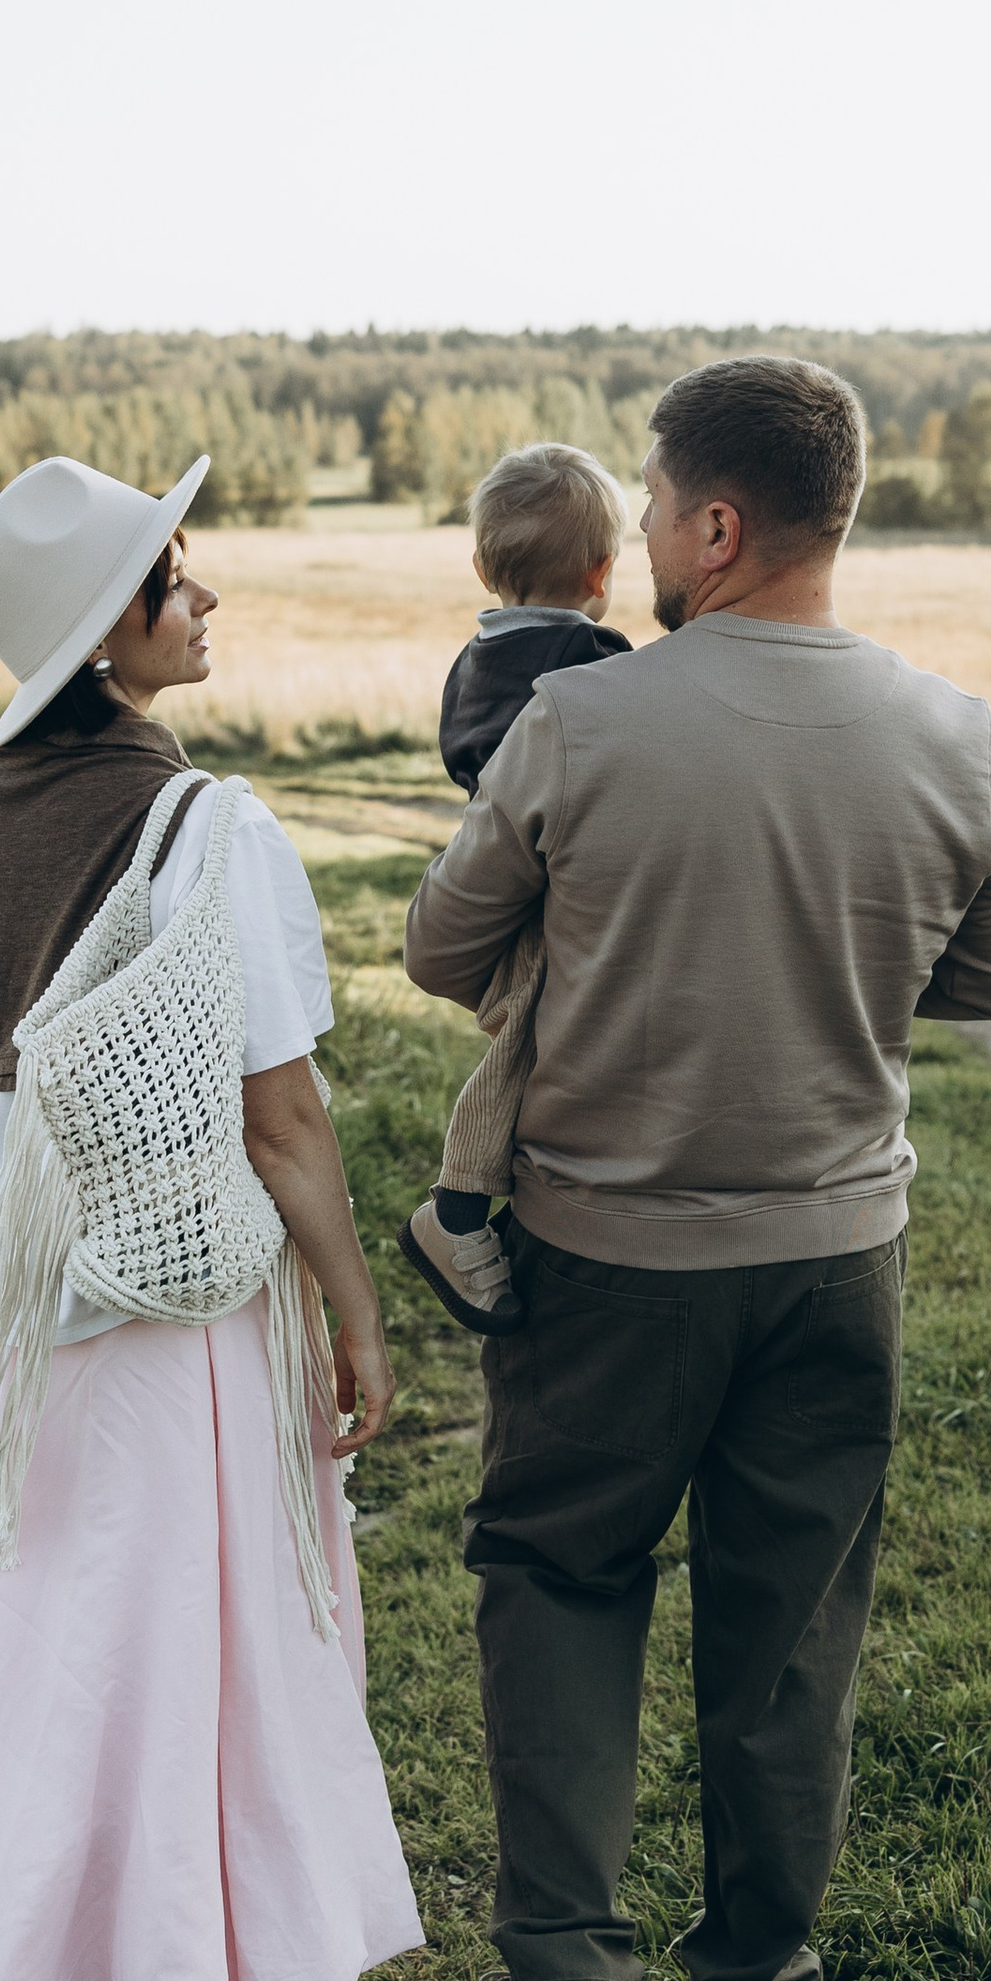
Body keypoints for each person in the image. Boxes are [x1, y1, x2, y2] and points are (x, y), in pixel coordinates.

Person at [403, 357, 991, 1981]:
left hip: (606, 1258)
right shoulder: (953, 731)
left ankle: (562, 1980)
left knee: (560, 1574)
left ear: (715, 525)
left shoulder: (578, 723)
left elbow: (444, 949)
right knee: (792, 1628)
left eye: (656, 503)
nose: (643, 534)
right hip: (839, 1263)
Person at [0, 450, 421, 1981]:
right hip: (160, 1329)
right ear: (108, 634)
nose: (203, 596)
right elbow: (283, 1119)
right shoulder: (208, 827)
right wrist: (354, 1307)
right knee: (186, 1679)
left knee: (59, 1688)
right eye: (170, 577)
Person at [399, 441, 631, 1341]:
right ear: (602, 571)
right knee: (525, 1038)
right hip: (553, 876)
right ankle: (455, 1211)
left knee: (533, 1029)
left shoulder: (474, 658)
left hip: (505, 856)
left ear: (482, 566)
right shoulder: (594, 657)